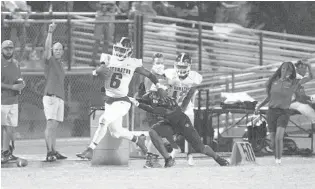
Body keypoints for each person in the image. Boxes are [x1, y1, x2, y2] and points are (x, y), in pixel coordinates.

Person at [76, 37, 167, 160]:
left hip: (122, 101)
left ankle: (90, 150)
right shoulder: (108, 59)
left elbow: (150, 74)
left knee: (103, 120)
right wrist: (97, 71)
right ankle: (138, 139)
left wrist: (159, 86)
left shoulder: (132, 63)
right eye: (117, 49)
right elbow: (95, 74)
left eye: (122, 50)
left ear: (129, 52)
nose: (118, 52)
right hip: (109, 101)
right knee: (115, 132)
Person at [129, 91, 230, 168]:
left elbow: (152, 109)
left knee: (200, 148)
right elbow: (148, 102)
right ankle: (168, 159)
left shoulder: (166, 105)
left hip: (183, 124)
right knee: (153, 132)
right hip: (171, 124)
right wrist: (134, 99)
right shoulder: (162, 100)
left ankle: (218, 158)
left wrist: (138, 104)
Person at [255, 61, 313, 165]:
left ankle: (278, 161)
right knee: (273, 142)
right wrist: (259, 106)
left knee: (279, 137)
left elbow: (311, 77)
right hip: (271, 112)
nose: (285, 71)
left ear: (291, 72)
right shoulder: (274, 82)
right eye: (284, 68)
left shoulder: (294, 82)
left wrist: (308, 66)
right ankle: (276, 157)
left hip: (284, 112)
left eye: (288, 69)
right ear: (280, 69)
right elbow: (269, 97)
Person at [164, 53, 203, 166]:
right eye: (179, 66)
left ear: (189, 66)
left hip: (186, 106)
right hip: (172, 105)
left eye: (183, 66)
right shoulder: (169, 74)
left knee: (189, 130)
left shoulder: (195, 77)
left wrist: (181, 110)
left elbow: (189, 96)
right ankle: (174, 151)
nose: (181, 69)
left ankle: (189, 155)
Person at [42, 23, 67, 162]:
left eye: (59, 49)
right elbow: (46, 48)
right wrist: (50, 33)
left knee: (55, 126)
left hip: (59, 98)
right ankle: (49, 152)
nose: (57, 51)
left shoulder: (61, 64)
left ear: (62, 51)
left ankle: (54, 150)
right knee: (50, 124)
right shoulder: (50, 60)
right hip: (51, 96)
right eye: (55, 49)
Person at [1, 40, 25, 163]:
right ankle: (5, 151)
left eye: (10, 48)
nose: (8, 50)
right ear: (1, 49)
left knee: (9, 127)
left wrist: (21, 84)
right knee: (5, 127)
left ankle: (6, 152)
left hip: (14, 101)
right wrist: (12, 87)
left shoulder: (16, 63)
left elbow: (19, 79)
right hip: (3, 100)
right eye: (6, 48)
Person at [290, 60, 315, 130]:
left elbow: (312, 77)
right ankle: (313, 130)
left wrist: (309, 66)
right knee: (309, 110)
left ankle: (313, 129)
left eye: (305, 68)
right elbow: (299, 97)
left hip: (296, 100)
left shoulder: (299, 78)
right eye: (302, 68)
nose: (305, 70)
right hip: (291, 102)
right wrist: (309, 100)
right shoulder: (294, 78)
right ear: (297, 69)